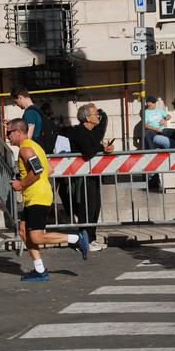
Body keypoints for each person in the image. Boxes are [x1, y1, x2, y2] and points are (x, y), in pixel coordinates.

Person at [8, 118, 89, 282]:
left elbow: (37, 170)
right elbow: (49, 169)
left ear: (18, 132)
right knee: (23, 231)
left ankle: (77, 239)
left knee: (36, 237)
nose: (7, 136)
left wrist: (20, 183)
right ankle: (39, 270)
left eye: (9, 133)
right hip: (34, 196)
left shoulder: (26, 149)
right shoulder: (34, 146)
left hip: (38, 196)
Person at [67, 103, 114, 251]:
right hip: (82, 176)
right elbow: (89, 150)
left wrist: (107, 148)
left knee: (95, 207)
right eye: (95, 114)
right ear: (87, 118)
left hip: (93, 174)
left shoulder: (93, 131)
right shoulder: (79, 132)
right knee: (86, 208)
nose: (98, 116)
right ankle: (83, 241)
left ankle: (91, 238)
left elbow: (97, 144)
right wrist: (101, 147)